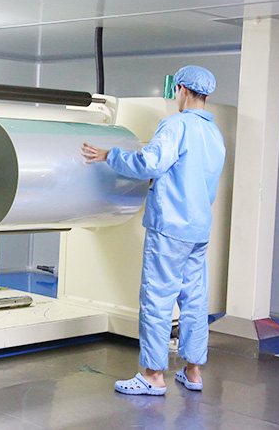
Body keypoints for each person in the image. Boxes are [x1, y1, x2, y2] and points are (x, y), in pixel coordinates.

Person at [81, 65, 225, 395]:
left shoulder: (176, 125)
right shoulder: (213, 133)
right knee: (194, 299)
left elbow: (150, 163)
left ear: (182, 89)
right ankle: (193, 372)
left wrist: (109, 155)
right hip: (198, 228)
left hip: (170, 226)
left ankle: (153, 376)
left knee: (158, 298)